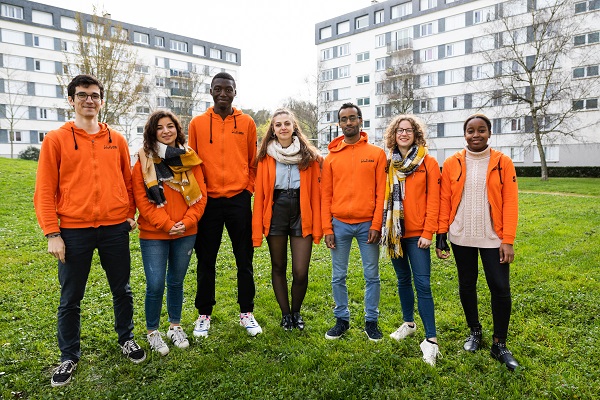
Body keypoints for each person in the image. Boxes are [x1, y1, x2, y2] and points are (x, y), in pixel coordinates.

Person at [33, 74, 146, 388]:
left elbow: (128, 181)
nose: (89, 100)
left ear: (101, 100)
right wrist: (52, 233)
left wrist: (128, 212)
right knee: (70, 298)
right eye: (82, 95)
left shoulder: (117, 139)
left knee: (122, 290)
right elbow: (44, 190)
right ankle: (69, 356)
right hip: (73, 230)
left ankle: (127, 338)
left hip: (113, 228)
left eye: (94, 95)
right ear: (71, 100)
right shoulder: (56, 139)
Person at [436, 113, 519, 370]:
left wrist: (508, 240)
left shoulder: (503, 162)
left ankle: (499, 343)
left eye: (481, 130)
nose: (475, 135)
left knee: (500, 287)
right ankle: (474, 331)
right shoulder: (452, 162)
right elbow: (445, 199)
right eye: (470, 131)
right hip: (461, 235)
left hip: (493, 238)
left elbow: (510, 202)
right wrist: (441, 235)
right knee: (467, 284)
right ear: (465, 134)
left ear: (489, 133)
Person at [187, 72, 261, 337]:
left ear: (234, 92)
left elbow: (253, 161)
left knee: (244, 258)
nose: (223, 93)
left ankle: (246, 313)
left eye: (227, 89)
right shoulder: (197, 123)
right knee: (206, 260)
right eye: (217, 89)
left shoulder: (247, 122)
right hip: (208, 203)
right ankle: (204, 314)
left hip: (238, 200)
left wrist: (248, 189)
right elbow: (191, 163)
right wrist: (201, 194)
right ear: (210, 92)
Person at [132, 111, 207, 355]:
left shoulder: (190, 159)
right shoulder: (143, 160)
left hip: (187, 231)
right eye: (160, 127)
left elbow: (201, 197)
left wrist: (186, 222)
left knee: (176, 281)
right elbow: (142, 200)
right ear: (152, 132)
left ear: (177, 129)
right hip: (154, 233)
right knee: (155, 284)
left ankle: (175, 326)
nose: (166, 131)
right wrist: (166, 224)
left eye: (170, 126)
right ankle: (153, 331)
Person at [321, 102, 387, 341]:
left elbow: (382, 194)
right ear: (339, 123)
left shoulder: (376, 154)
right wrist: (327, 228)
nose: (348, 122)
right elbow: (325, 195)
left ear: (360, 120)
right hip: (338, 224)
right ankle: (342, 319)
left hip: (367, 225)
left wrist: (376, 225)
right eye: (344, 119)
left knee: (372, 275)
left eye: (352, 118)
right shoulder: (330, 158)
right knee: (338, 276)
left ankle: (371, 321)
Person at [252, 109, 322, 331]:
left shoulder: (309, 156)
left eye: (286, 124)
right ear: (272, 129)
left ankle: (296, 312)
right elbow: (261, 193)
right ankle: (286, 315)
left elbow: (321, 184)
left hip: (302, 210)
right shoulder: (265, 157)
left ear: (294, 127)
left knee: (301, 271)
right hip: (277, 209)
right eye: (278, 124)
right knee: (278, 265)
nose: (282, 127)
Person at [381, 115, 442, 365]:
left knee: (423, 284)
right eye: (399, 130)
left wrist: (428, 233)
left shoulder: (428, 162)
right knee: (403, 280)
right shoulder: (388, 164)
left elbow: (434, 200)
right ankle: (408, 323)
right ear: (394, 135)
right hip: (396, 233)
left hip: (418, 234)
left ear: (416, 134)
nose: (403, 134)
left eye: (408, 130)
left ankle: (431, 340)